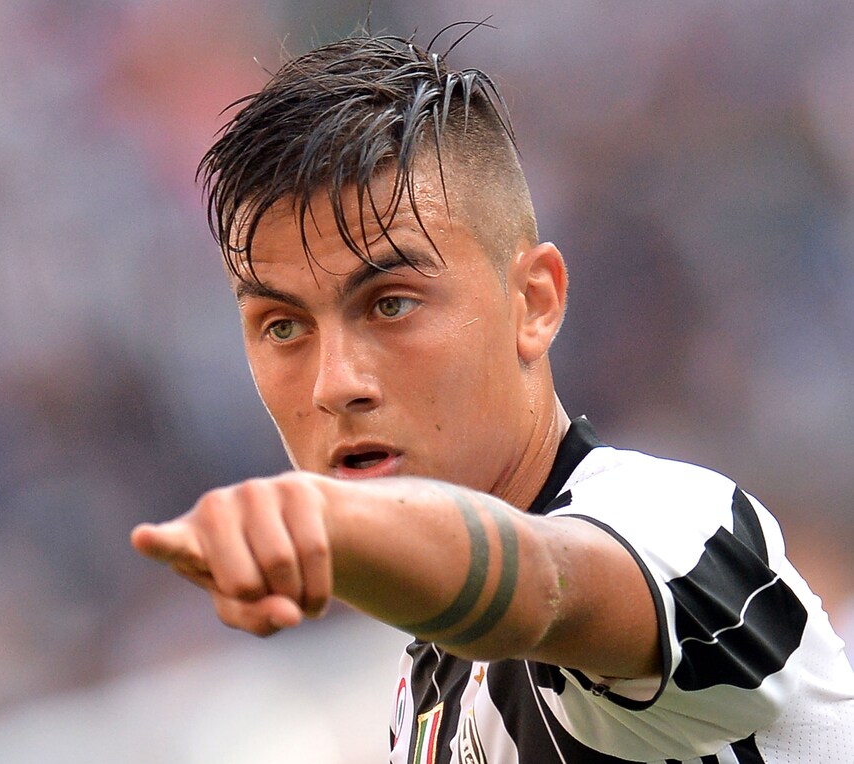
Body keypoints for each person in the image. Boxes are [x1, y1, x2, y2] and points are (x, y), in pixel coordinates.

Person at [130, 27, 854, 763]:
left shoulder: (675, 524)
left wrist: (332, 523)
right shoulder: (432, 688)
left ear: (534, 303)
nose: (335, 384)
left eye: (390, 303)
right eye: (283, 326)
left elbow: (546, 585)